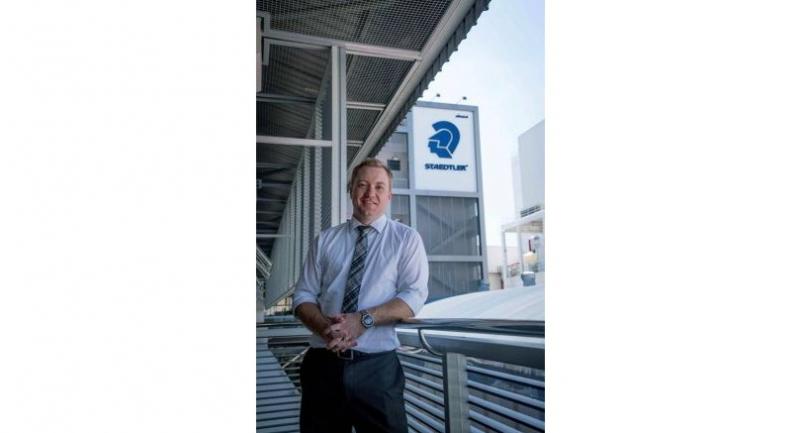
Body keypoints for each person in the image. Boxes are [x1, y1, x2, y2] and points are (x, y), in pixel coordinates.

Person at [292, 158, 429, 433]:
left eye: (379, 187)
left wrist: (362, 320)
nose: (370, 193)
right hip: (323, 366)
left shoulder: (406, 239)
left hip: (377, 371)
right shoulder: (325, 240)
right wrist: (326, 329)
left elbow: (414, 295)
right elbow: (303, 295)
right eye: (362, 185)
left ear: (389, 196)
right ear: (351, 190)